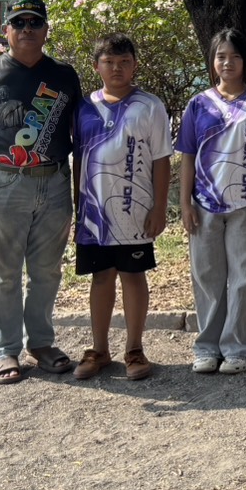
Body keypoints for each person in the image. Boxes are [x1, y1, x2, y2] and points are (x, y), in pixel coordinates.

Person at [0, 0, 83, 384]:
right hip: (6, 184)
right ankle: (4, 349)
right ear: (6, 30)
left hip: (55, 182)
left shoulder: (64, 75)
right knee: (3, 272)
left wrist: (81, 196)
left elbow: (81, 139)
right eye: (19, 23)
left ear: (46, 30)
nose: (27, 29)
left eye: (35, 22)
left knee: (47, 271)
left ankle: (40, 343)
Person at [69, 33, 172, 381]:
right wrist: (77, 208)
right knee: (100, 277)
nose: (117, 68)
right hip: (94, 213)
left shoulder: (150, 106)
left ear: (135, 66)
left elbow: (161, 159)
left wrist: (159, 207)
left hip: (135, 210)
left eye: (124, 62)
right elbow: (79, 160)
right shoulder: (84, 107)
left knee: (133, 275)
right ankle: (99, 349)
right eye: (109, 62)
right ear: (96, 66)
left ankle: (134, 349)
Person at [175, 28, 246, 376]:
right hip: (204, 204)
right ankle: (207, 348)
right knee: (207, 278)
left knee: (245, 279)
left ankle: (239, 348)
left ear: (245, 61)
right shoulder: (198, 104)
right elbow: (188, 155)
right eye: (221, 56)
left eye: (235, 56)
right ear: (212, 61)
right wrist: (185, 202)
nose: (228, 62)